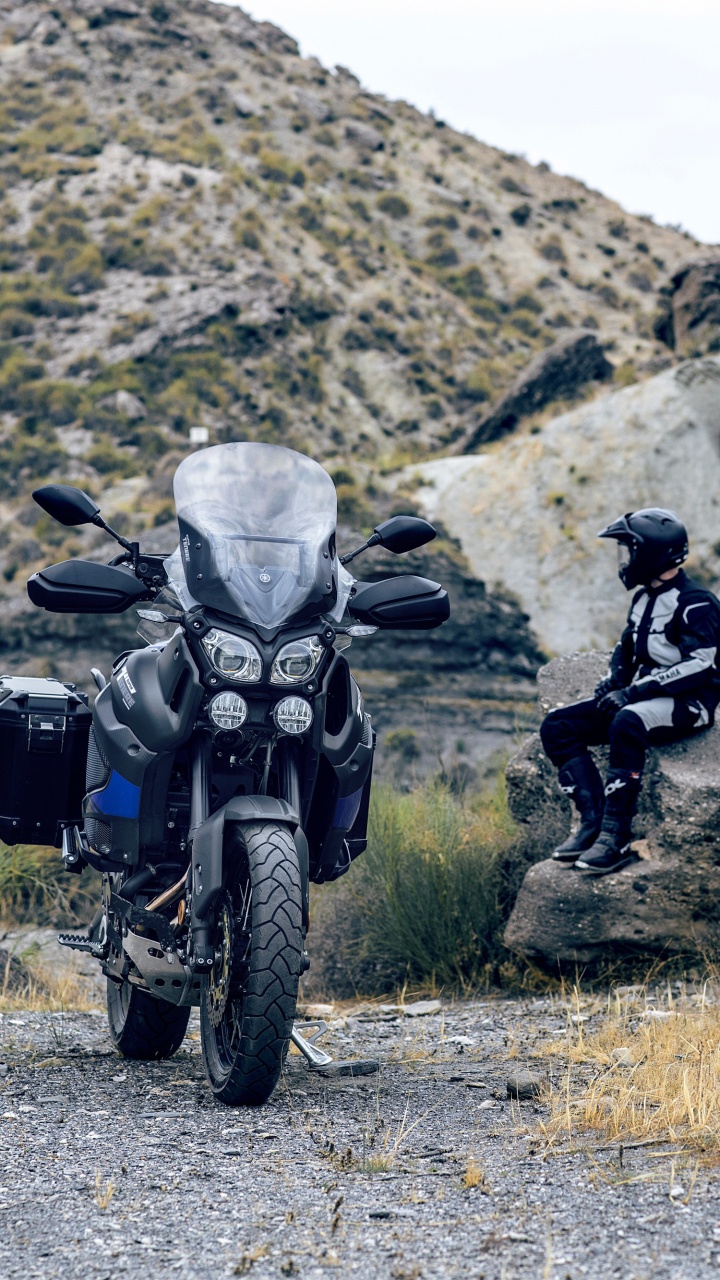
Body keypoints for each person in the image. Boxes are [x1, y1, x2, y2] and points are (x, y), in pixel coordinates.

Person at [540, 508, 720, 875]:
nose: (624, 559)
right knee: (558, 725)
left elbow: (700, 664)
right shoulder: (642, 599)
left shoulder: (697, 603)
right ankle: (591, 825)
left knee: (626, 721)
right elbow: (626, 647)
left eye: (629, 550)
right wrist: (614, 680)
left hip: (690, 704)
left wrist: (633, 693)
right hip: (644, 697)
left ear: (654, 553)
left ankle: (616, 836)